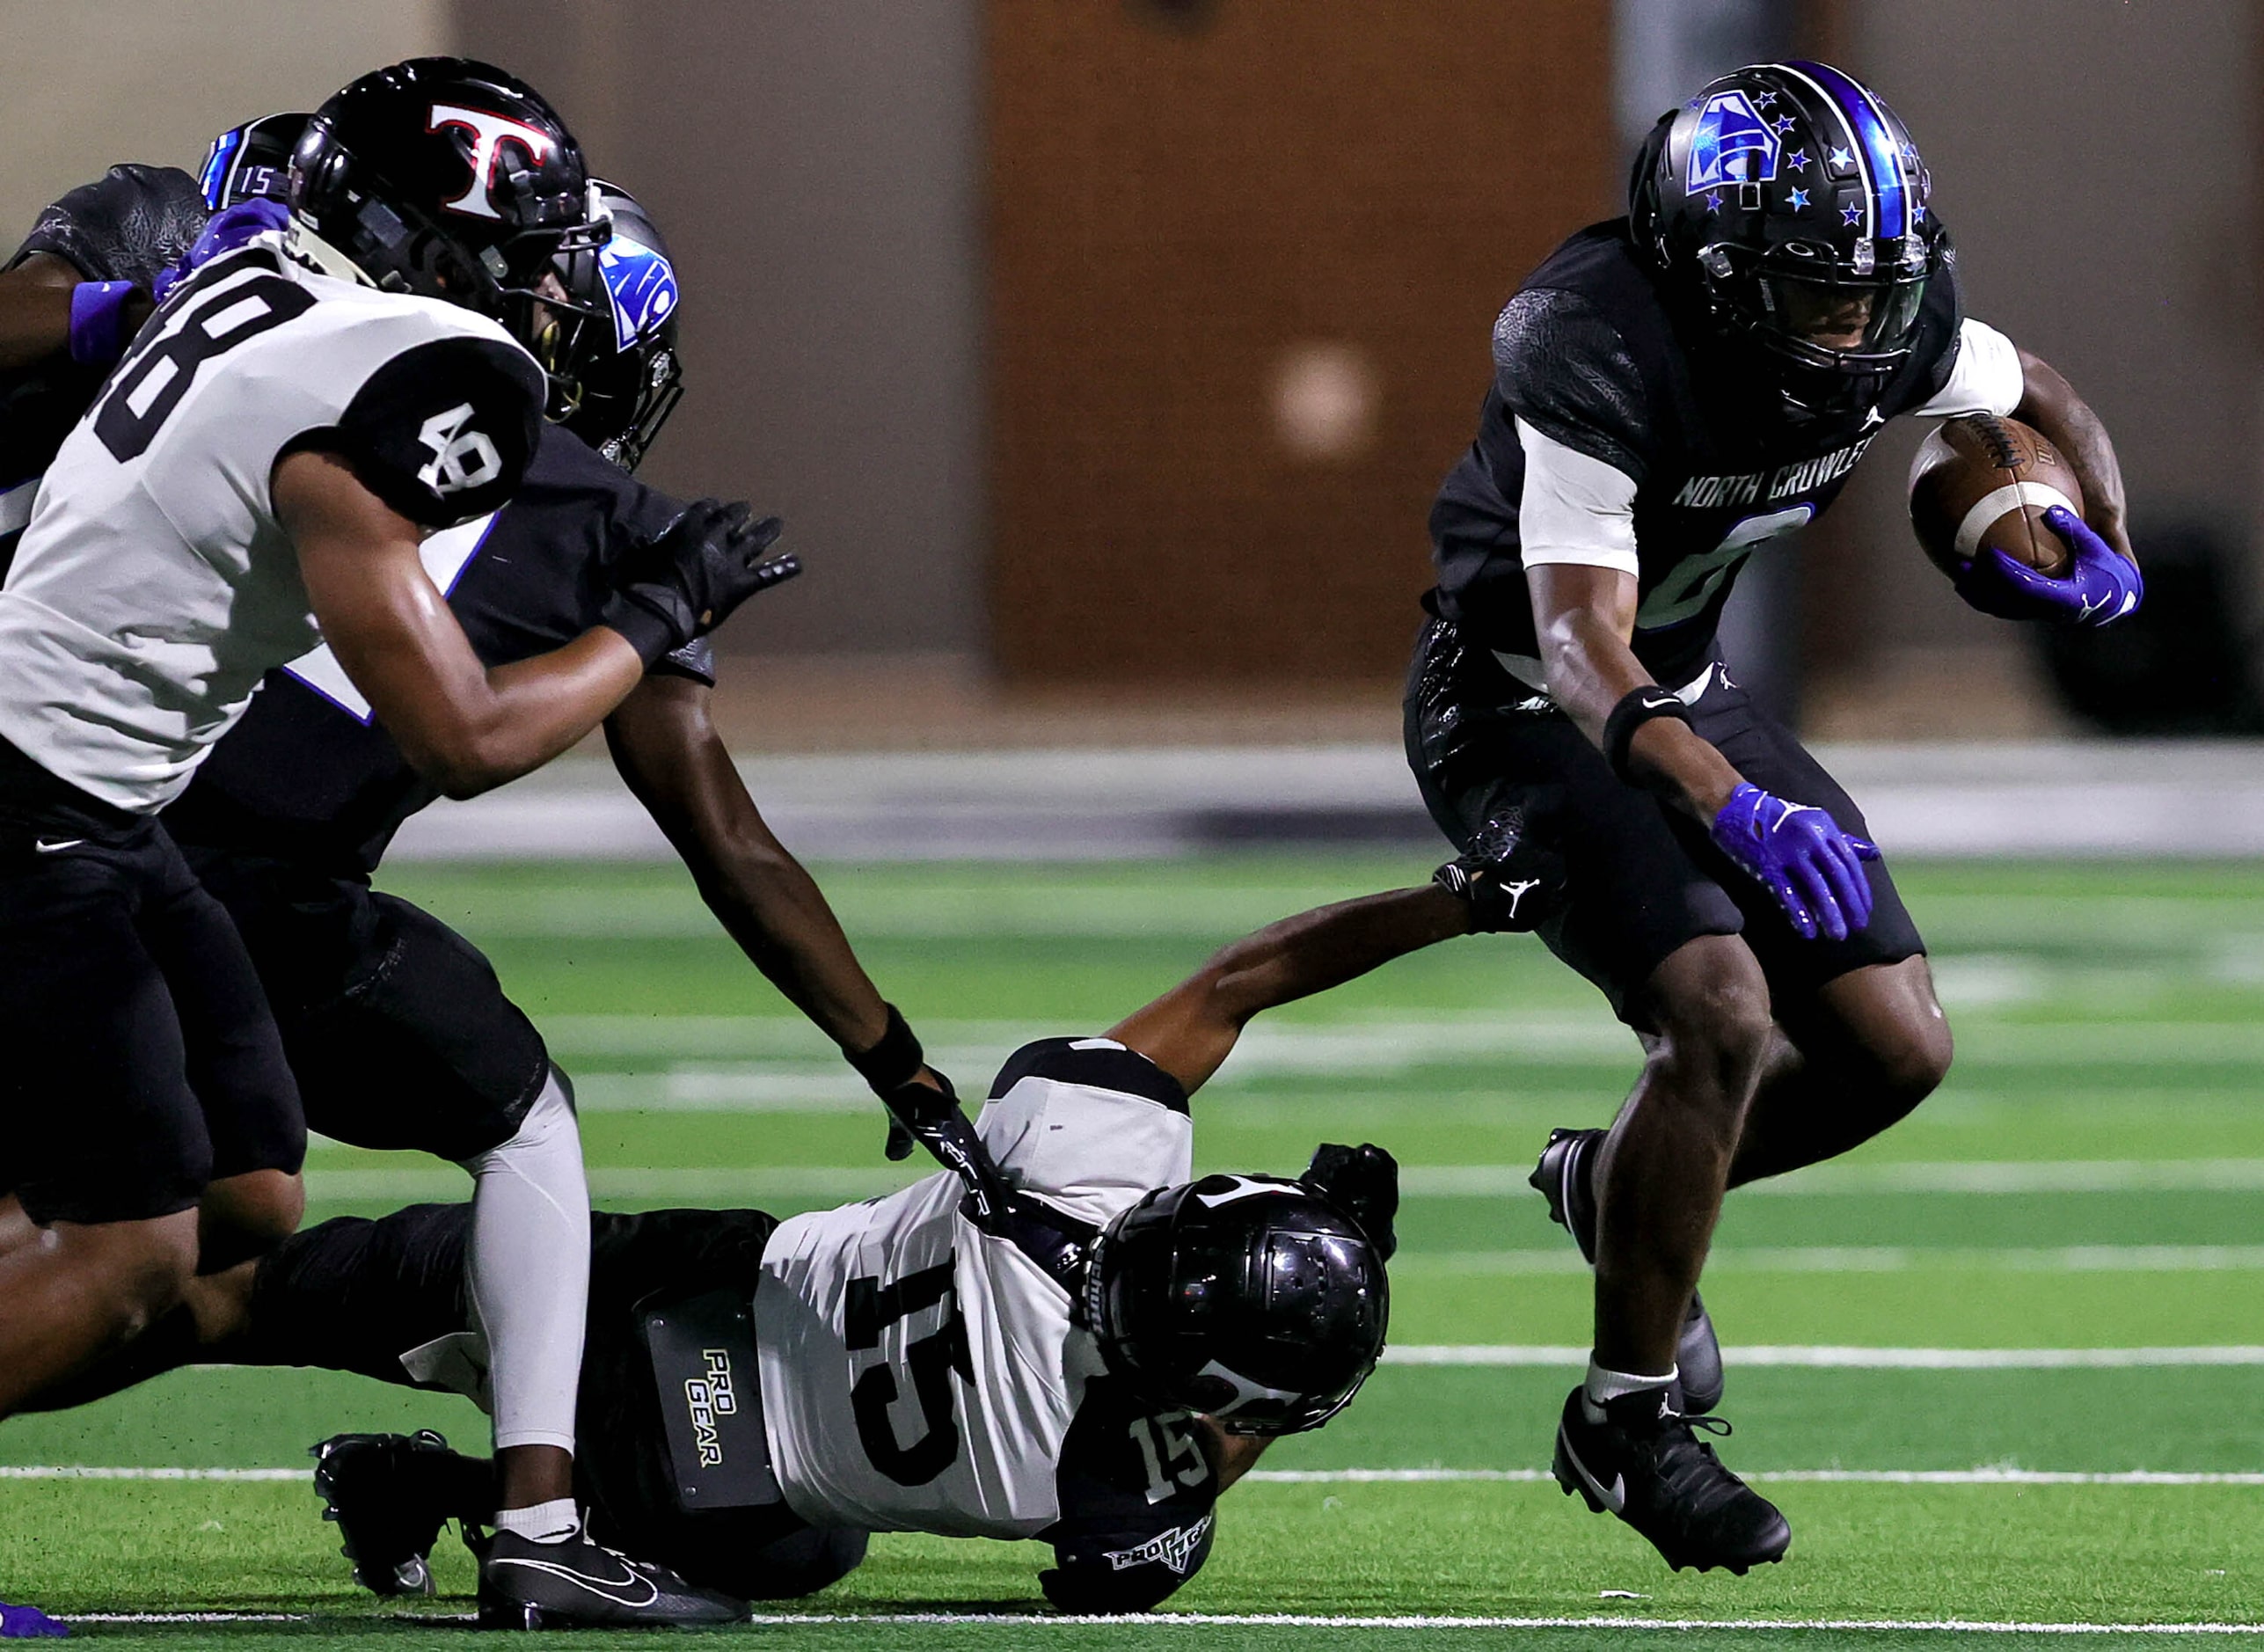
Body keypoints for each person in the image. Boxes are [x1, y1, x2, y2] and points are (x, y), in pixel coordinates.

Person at [0, 56, 792, 1628]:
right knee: (131, 1246)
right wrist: (661, 609)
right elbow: (464, 739)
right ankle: (538, 1524)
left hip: (113, 799)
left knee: (249, 1200)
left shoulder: (252, 282)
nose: (548, 300)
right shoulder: (395, 358)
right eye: (526, 258)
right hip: (39, 802)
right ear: (431, 250)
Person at [1406, 61, 2141, 1575]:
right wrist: (1729, 802)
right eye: (1819, 300)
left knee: (1895, 1045)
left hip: (1683, 679)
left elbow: (2039, 392)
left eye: (1874, 296)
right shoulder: (1592, 342)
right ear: (1713, 269)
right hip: (1522, 712)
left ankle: (1604, 1183)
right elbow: (1573, 646)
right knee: (1719, 1006)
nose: (1857, 333)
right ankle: (1623, 1418)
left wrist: (2097, 529)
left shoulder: (1880, 310)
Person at [165, 860, 1540, 1618]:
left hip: (669, 1276)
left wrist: (1452, 900)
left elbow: (1248, 979)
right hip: (698, 1483)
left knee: (224, 1296)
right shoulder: (1091, 1472)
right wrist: (1279, 1378)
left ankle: (91, 1285)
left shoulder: (1075, 1148)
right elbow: (1129, 1548)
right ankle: (441, 1491)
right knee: (810, 1550)